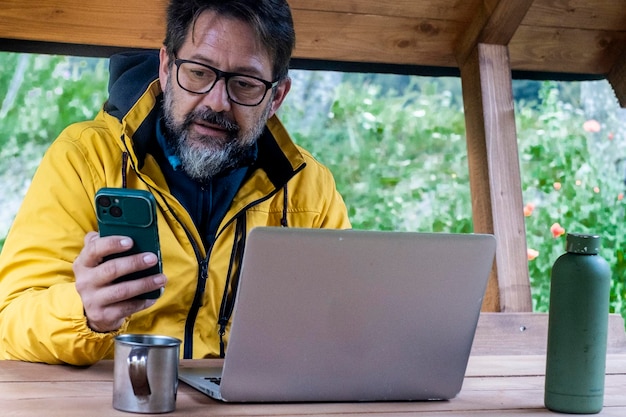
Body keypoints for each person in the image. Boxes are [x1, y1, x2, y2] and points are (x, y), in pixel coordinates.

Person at [0, 0, 350, 365]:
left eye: (245, 84)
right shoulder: (85, 158)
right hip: (122, 400)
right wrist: (85, 312)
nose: (217, 103)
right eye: (199, 72)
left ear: (276, 96)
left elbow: (347, 323)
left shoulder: (310, 187)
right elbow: (10, 320)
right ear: (166, 68)